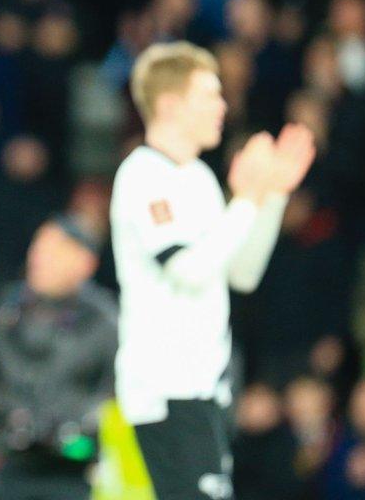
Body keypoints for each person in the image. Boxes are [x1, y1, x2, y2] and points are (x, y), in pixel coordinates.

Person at [110, 41, 315, 500]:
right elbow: (187, 269)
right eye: (210, 95)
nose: (223, 106)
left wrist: (271, 197)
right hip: (166, 389)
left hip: (207, 388)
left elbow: (240, 273)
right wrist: (245, 199)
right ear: (169, 104)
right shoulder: (143, 175)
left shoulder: (199, 180)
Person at [0, 215, 118, 500]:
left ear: (85, 263)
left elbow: (115, 395)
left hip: (77, 470)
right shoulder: (5, 309)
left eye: (53, 251)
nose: (38, 259)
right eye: (37, 248)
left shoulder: (104, 320)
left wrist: (73, 426)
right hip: (10, 464)